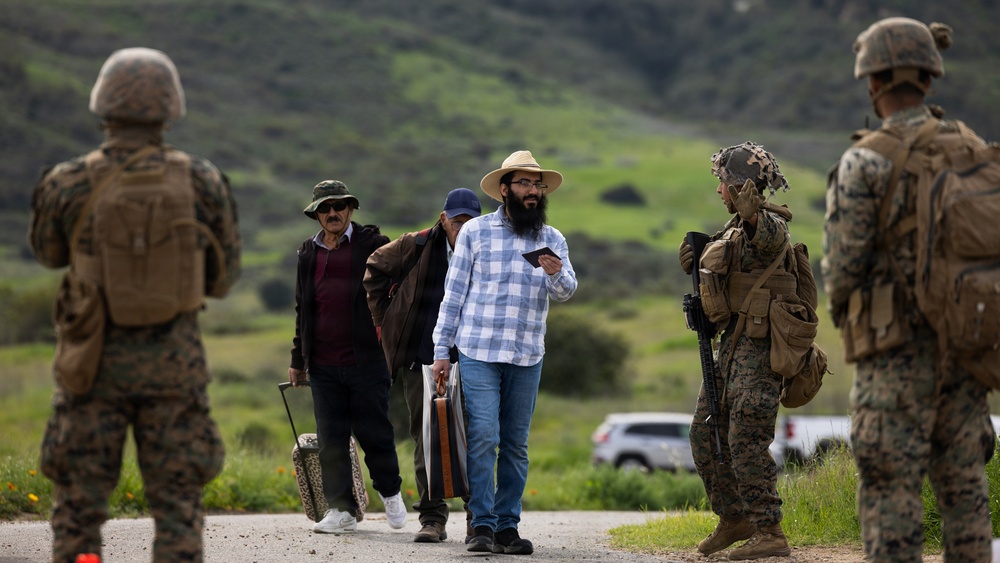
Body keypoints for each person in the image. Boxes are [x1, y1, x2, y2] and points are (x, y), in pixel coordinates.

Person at [28, 47, 241, 563]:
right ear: (171, 108)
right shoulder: (202, 180)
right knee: (178, 509)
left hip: (90, 369)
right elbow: (223, 278)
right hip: (175, 371)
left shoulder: (67, 180)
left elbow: (49, 254)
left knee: (78, 508)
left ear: (103, 105)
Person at [822, 18, 993, 562]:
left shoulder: (865, 160)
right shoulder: (973, 149)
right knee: (966, 490)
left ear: (872, 82)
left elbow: (844, 269)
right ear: (928, 76)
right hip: (967, 348)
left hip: (894, 354)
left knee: (891, 491)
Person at [431, 150, 577, 555]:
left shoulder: (552, 238)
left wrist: (555, 273)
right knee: (484, 437)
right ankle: (481, 524)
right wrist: (442, 349)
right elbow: (453, 295)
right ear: (504, 189)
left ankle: (507, 527)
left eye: (538, 185)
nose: (534, 191)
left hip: (527, 353)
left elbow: (566, 292)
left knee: (515, 442)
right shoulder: (476, 232)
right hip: (478, 349)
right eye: (525, 184)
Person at [678, 142, 793, 560]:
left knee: (745, 437)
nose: (719, 191)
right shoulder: (731, 231)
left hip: (760, 352)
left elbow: (767, 237)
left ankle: (770, 531)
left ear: (742, 187)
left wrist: (751, 212)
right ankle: (734, 519)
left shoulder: (769, 225)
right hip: (730, 348)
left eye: (724, 183)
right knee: (704, 434)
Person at [288, 179, 407, 534]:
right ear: (317, 215)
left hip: (366, 360)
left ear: (351, 209)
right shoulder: (307, 254)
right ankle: (341, 510)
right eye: (325, 208)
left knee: (375, 433)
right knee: (331, 440)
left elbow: (397, 287)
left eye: (339, 205)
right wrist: (298, 359)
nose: (333, 213)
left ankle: (390, 493)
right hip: (323, 363)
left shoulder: (373, 244)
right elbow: (303, 309)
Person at [364, 187, 482, 544]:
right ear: (444, 219)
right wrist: (385, 322)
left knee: (477, 435)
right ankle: (432, 518)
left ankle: (479, 518)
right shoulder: (414, 245)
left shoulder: (486, 247)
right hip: (421, 355)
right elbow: (374, 269)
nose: (462, 228)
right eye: (457, 221)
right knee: (425, 434)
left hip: (474, 356)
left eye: (469, 222)